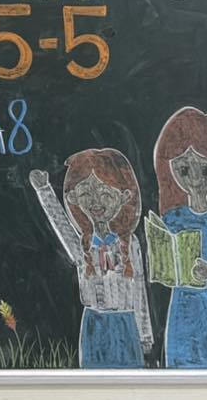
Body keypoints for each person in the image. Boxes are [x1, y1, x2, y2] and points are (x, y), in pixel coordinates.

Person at [29, 148, 152, 367]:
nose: (96, 202)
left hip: (126, 323)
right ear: (74, 198)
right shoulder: (82, 246)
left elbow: (139, 288)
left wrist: (145, 334)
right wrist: (44, 190)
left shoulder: (130, 243)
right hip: (94, 323)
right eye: (86, 194)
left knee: (129, 379)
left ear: (124, 196)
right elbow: (62, 225)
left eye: (105, 194)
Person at [154, 106, 207, 367]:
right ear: (171, 168)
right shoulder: (172, 219)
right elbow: (165, 262)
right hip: (185, 310)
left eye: (203, 170)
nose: (193, 179)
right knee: (184, 370)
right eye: (183, 170)